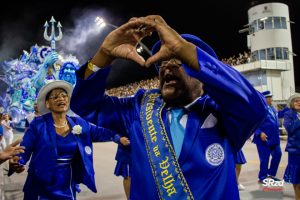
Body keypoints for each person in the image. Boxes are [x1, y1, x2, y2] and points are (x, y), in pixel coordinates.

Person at [70, 15, 267, 199]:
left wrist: (185, 49)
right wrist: (103, 55)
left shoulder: (223, 111)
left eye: (180, 59)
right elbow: (85, 104)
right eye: (162, 62)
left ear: (204, 74)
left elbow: (254, 107)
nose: (167, 66)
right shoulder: (139, 108)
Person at [9, 80, 120, 200]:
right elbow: (24, 149)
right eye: (55, 97)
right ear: (47, 104)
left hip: (67, 184)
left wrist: (120, 133)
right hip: (40, 184)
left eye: (63, 95)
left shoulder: (79, 123)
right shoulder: (38, 124)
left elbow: (101, 132)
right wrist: (18, 161)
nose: (60, 99)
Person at [253, 90, 282, 183]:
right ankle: (262, 177)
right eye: (268, 97)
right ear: (263, 99)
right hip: (263, 139)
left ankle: (271, 174)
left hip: (274, 138)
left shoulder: (273, 108)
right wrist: (260, 133)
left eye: (271, 97)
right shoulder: (259, 109)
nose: (271, 99)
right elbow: (253, 123)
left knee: (278, 154)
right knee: (264, 159)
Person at [283, 93, 300, 200]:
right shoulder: (288, 114)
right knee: (297, 177)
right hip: (295, 150)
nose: (299, 102)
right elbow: (290, 128)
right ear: (292, 104)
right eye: (296, 101)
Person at [113, 134, 131, 199]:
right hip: (128, 152)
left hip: (145, 151)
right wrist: (119, 139)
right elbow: (112, 132)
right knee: (128, 177)